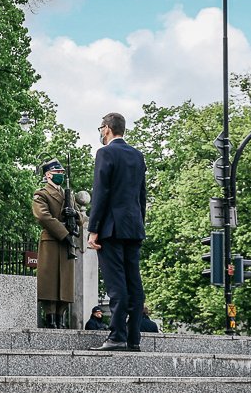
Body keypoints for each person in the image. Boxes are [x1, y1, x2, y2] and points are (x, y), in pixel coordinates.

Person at [87, 112, 148, 352]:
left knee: (116, 284)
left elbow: (101, 191)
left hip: (111, 228)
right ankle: (133, 338)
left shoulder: (105, 153)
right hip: (133, 227)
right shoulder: (137, 155)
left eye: (101, 128)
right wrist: (138, 223)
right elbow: (141, 196)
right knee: (134, 283)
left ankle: (117, 336)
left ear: (108, 128)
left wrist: (93, 229)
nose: (100, 133)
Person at [31, 159, 85, 328]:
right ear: (48, 175)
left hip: (67, 242)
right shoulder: (41, 194)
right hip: (52, 241)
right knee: (50, 282)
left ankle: (60, 317)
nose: (60, 176)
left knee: (66, 283)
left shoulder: (67, 194)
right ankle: (50, 317)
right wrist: (64, 233)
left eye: (62, 174)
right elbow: (43, 216)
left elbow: (82, 218)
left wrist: (75, 215)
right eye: (57, 174)